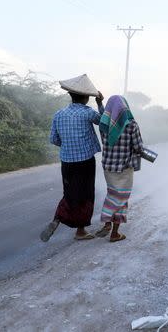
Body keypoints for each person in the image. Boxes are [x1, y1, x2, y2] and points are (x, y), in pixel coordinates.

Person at [41, 74, 104, 242]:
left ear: (71, 96)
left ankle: (57, 218)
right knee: (85, 194)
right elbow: (105, 123)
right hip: (85, 162)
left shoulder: (59, 114)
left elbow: (54, 139)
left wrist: (68, 144)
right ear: (85, 98)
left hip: (67, 162)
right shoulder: (88, 112)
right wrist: (99, 103)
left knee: (69, 193)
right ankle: (81, 231)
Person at [94, 95, 144, 243]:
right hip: (124, 168)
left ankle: (108, 224)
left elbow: (104, 114)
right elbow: (138, 147)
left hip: (108, 167)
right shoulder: (131, 125)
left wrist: (99, 103)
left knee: (112, 194)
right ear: (125, 108)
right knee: (121, 199)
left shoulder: (104, 124)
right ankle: (114, 233)